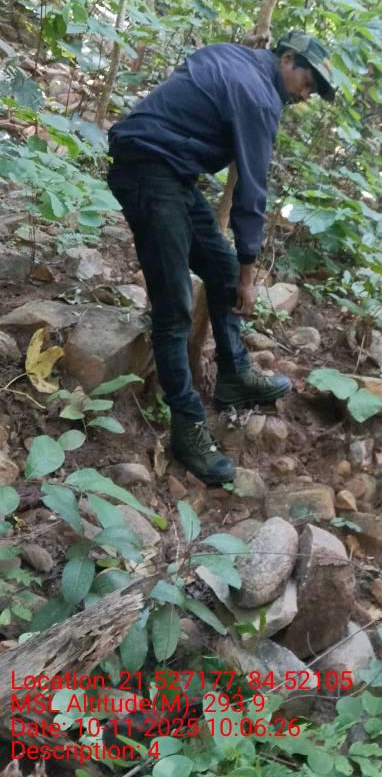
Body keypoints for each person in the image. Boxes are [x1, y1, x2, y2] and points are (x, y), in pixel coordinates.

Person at [107, 31, 336, 485]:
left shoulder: (231, 55)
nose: (305, 95)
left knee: (220, 268)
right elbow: (251, 192)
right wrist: (250, 275)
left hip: (173, 171)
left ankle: (232, 374)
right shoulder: (259, 98)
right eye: (307, 83)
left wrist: (238, 271)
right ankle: (187, 424)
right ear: (287, 59)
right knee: (173, 308)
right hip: (148, 171)